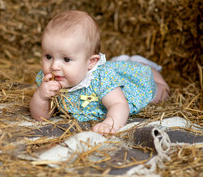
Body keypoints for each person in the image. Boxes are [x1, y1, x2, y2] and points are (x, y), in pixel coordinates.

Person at [29, 10, 169, 134]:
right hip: (112, 69)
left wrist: (110, 122)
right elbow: (42, 117)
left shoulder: (101, 78)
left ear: (90, 63)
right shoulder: (47, 80)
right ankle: (122, 61)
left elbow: (119, 104)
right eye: (48, 56)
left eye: (66, 59)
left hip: (133, 82)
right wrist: (41, 97)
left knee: (161, 93)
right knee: (118, 66)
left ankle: (144, 66)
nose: (54, 66)